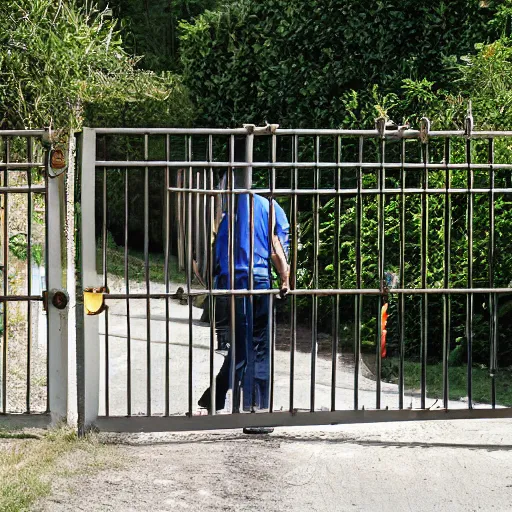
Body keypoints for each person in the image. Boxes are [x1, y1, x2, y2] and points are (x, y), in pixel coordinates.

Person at [198, 188, 290, 413]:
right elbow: (276, 243)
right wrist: (285, 278)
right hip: (258, 281)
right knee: (258, 345)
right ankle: (256, 404)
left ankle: (217, 398)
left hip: (232, 284)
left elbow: (218, 250)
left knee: (240, 343)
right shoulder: (271, 209)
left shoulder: (233, 211)